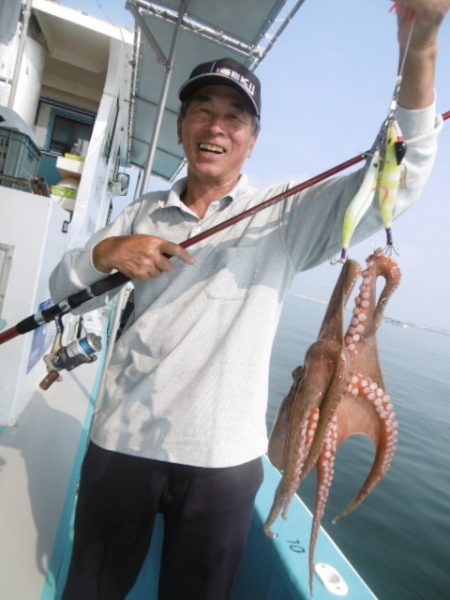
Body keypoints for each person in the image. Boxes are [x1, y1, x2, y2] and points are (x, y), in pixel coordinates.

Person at [51, 2, 449, 598]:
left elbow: (402, 171)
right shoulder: (137, 214)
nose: (217, 127)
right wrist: (106, 252)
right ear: (182, 125)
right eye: (203, 111)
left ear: (252, 138)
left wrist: (420, 46)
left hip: (224, 464)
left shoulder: (287, 216)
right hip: (122, 444)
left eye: (234, 117)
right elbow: (65, 293)